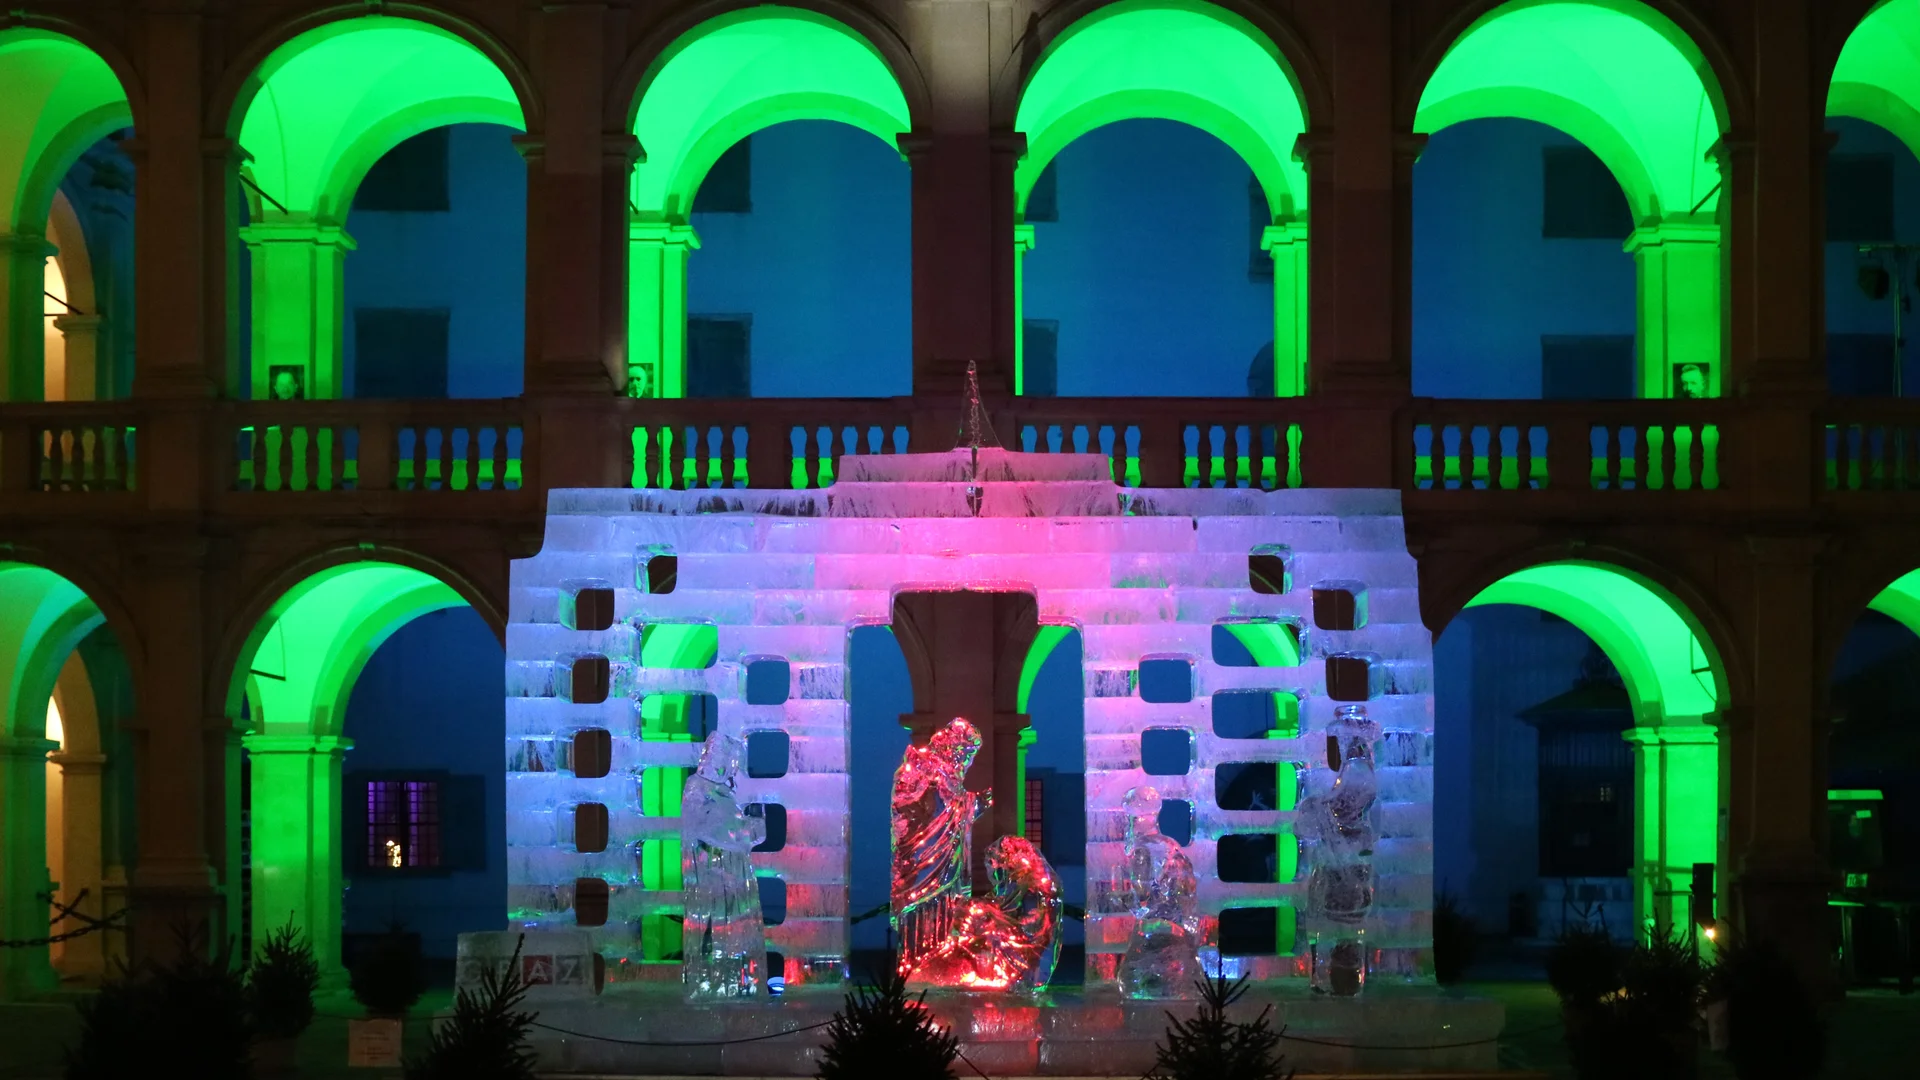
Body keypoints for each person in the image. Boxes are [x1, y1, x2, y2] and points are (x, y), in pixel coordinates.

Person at [891, 717, 988, 980]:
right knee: (922, 906)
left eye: (970, 757)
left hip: (950, 857)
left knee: (949, 903)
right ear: (952, 746)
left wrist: (973, 803)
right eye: (965, 754)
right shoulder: (921, 765)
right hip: (924, 856)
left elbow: (954, 807)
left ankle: (943, 964)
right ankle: (918, 969)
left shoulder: (950, 775)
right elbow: (908, 802)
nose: (966, 762)